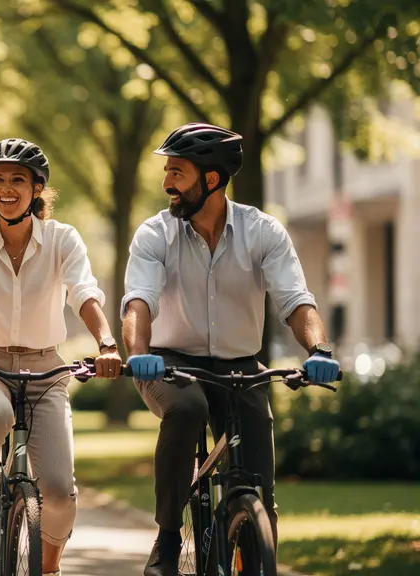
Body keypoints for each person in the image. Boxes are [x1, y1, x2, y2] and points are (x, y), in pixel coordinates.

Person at [120, 123, 342, 576]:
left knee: (259, 489)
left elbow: (296, 300)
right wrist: (139, 352)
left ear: (212, 179)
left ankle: (256, 552)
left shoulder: (263, 231)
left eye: (177, 173)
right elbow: (138, 301)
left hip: (242, 365)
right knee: (186, 410)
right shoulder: (154, 233)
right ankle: (166, 537)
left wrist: (319, 350)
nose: (168, 184)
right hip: (169, 362)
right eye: (167, 172)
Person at [0, 138, 123, 576]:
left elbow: (83, 292)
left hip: (45, 370)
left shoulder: (61, 239)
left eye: (18, 180)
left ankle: (48, 568)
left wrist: (107, 343)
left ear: (37, 189)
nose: (7, 189)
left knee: (58, 491)